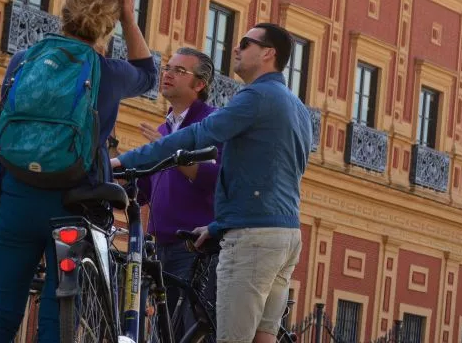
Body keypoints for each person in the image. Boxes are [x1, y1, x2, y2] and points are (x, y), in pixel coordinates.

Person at [0, 0, 157, 343]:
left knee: (0, 317)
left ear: (64, 12)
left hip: (15, 196)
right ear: (107, 25)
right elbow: (148, 74)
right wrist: (130, 20)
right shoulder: (107, 72)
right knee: (56, 323)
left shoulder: (22, 60)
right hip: (72, 204)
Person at [112, 23, 312, 343]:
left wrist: (125, 161)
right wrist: (217, 226)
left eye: (246, 43)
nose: (236, 48)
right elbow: (273, 178)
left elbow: (196, 136)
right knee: (264, 338)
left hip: (252, 240)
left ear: (268, 53)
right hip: (286, 236)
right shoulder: (298, 108)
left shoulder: (256, 96)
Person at [137, 47, 218, 336]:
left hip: (194, 248)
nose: (167, 73)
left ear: (199, 84)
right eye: (167, 67)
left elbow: (214, 177)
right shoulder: (163, 128)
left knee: (188, 329)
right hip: (158, 246)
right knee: (163, 332)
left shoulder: (212, 124)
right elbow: (143, 191)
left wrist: (168, 147)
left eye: (179, 70)